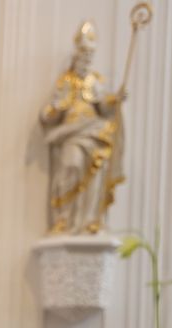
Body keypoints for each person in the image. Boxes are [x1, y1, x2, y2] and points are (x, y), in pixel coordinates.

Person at [38, 20, 125, 236]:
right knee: (72, 165)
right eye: (83, 54)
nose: (86, 59)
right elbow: (51, 111)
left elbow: (103, 107)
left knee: (97, 170)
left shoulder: (95, 81)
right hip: (72, 133)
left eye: (90, 55)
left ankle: (88, 220)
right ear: (77, 54)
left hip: (93, 131)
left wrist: (115, 100)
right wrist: (53, 111)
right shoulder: (66, 81)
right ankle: (64, 219)